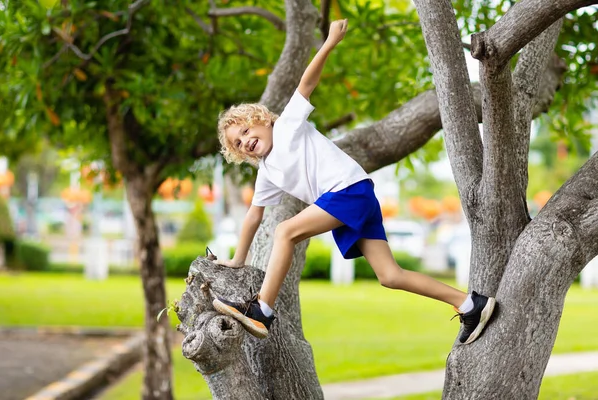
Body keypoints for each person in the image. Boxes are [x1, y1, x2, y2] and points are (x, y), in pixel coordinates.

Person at [212, 19, 496, 345]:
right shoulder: (267, 171)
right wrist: (237, 259)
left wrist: (330, 42)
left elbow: (306, 83)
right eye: (237, 142)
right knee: (389, 276)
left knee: (284, 231)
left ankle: (262, 311)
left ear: (261, 120)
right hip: (349, 200)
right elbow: (252, 216)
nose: (245, 140)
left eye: (246, 131)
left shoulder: (287, 126)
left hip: (348, 191)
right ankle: (471, 304)